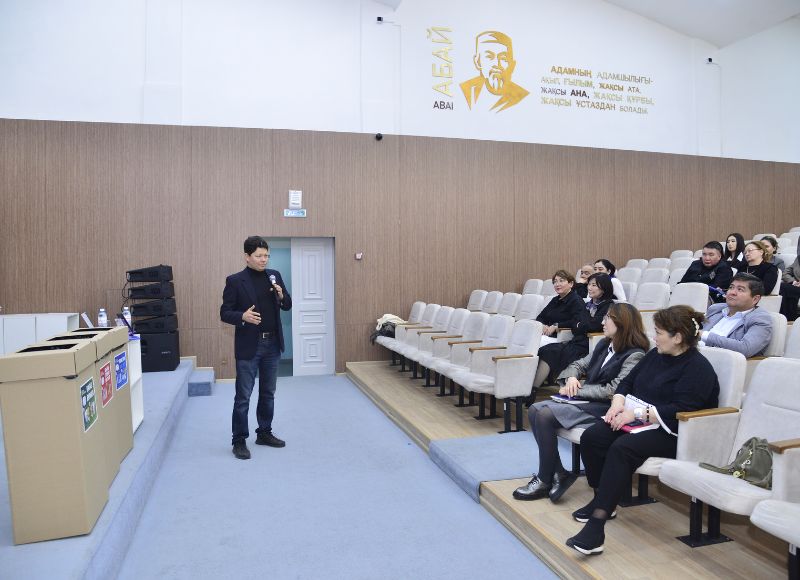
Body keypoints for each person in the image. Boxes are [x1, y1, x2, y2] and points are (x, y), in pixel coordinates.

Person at [566, 306, 719, 556]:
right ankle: (602, 499)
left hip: (676, 432)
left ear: (677, 337)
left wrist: (636, 413)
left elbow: (682, 409)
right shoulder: (656, 355)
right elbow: (627, 382)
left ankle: (596, 526)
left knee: (622, 448)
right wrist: (617, 404)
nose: (653, 337)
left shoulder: (697, 368)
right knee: (593, 437)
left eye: (658, 332)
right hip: (643, 422)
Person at [513, 303, 649, 502]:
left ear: (622, 323)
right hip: (587, 401)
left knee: (543, 414)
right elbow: (578, 364)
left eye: (607, 318)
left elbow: (613, 390)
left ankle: (545, 479)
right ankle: (558, 473)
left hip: (608, 407)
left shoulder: (634, 354)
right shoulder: (604, 344)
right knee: (534, 409)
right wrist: (571, 378)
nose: (602, 322)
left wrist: (577, 391)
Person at [220, 236, 292, 460]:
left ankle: (264, 432)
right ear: (247, 256)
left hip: (272, 344)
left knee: (268, 393)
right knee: (243, 396)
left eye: (266, 255)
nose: (264, 259)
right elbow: (225, 312)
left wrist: (281, 295)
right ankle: (239, 440)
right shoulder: (235, 281)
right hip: (249, 346)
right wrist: (242, 316)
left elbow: (287, 305)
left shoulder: (274, 276)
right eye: (259, 256)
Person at [527, 274, 615, 405]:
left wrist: (581, 325)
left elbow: (593, 325)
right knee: (546, 349)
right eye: (589, 284)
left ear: (604, 288)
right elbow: (576, 324)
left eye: (594, 285)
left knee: (553, 352)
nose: (589, 288)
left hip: (590, 344)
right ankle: (532, 389)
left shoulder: (608, 306)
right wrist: (581, 325)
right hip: (577, 340)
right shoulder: (588, 304)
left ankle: (535, 391)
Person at [700, 273, 772, 357]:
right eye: (731, 287)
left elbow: (745, 348)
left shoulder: (761, 319)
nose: (732, 292)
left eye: (740, 289)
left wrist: (704, 335)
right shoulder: (716, 309)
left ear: (755, 299)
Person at [460, 31, 529, 113]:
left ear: (512, 64)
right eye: (489, 57)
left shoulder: (520, 95)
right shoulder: (467, 90)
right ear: (477, 62)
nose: (496, 64)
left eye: (503, 58)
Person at [535, 270, 584, 340]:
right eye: (555, 281)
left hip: (561, 338)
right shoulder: (555, 300)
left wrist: (557, 326)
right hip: (546, 335)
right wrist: (543, 325)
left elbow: (577, 321)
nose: (557, 284)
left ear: (571, 284)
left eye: (561, 281)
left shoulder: (576, 300)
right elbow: (540, 317)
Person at [779, 254, 800, 321]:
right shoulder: (798, 259)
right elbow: (785, 273)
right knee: (782, 286)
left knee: (785, 288)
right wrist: (793, 281)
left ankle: (788, 318)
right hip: (796, 286)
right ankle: (785, 318)